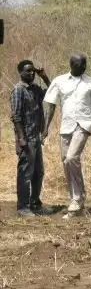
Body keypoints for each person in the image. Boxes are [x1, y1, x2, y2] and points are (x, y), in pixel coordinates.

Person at [42, 53, 91, 219]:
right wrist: (45, 128)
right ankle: (76, 199)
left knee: (71, 158)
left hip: (83, 125)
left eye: (85, 64)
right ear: (72, 65)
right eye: (80, 65)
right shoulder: (59, 81)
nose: (84, 67)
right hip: (66, 126)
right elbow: (51, 106)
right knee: (66, 161)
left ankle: (77, 199)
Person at [10, 60, 51, 216]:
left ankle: (35, 204)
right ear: (20, 72)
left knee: (38, 173)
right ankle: (22, 207)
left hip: (36, 138)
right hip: (26, 139)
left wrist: (44, 76)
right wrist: (21, 139)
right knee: (25, 174)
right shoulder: (18, 90)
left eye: (33, 71)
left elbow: (52, 91)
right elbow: (16, 117)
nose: (32, 74)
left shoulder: (35, 89)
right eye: (28, 71)